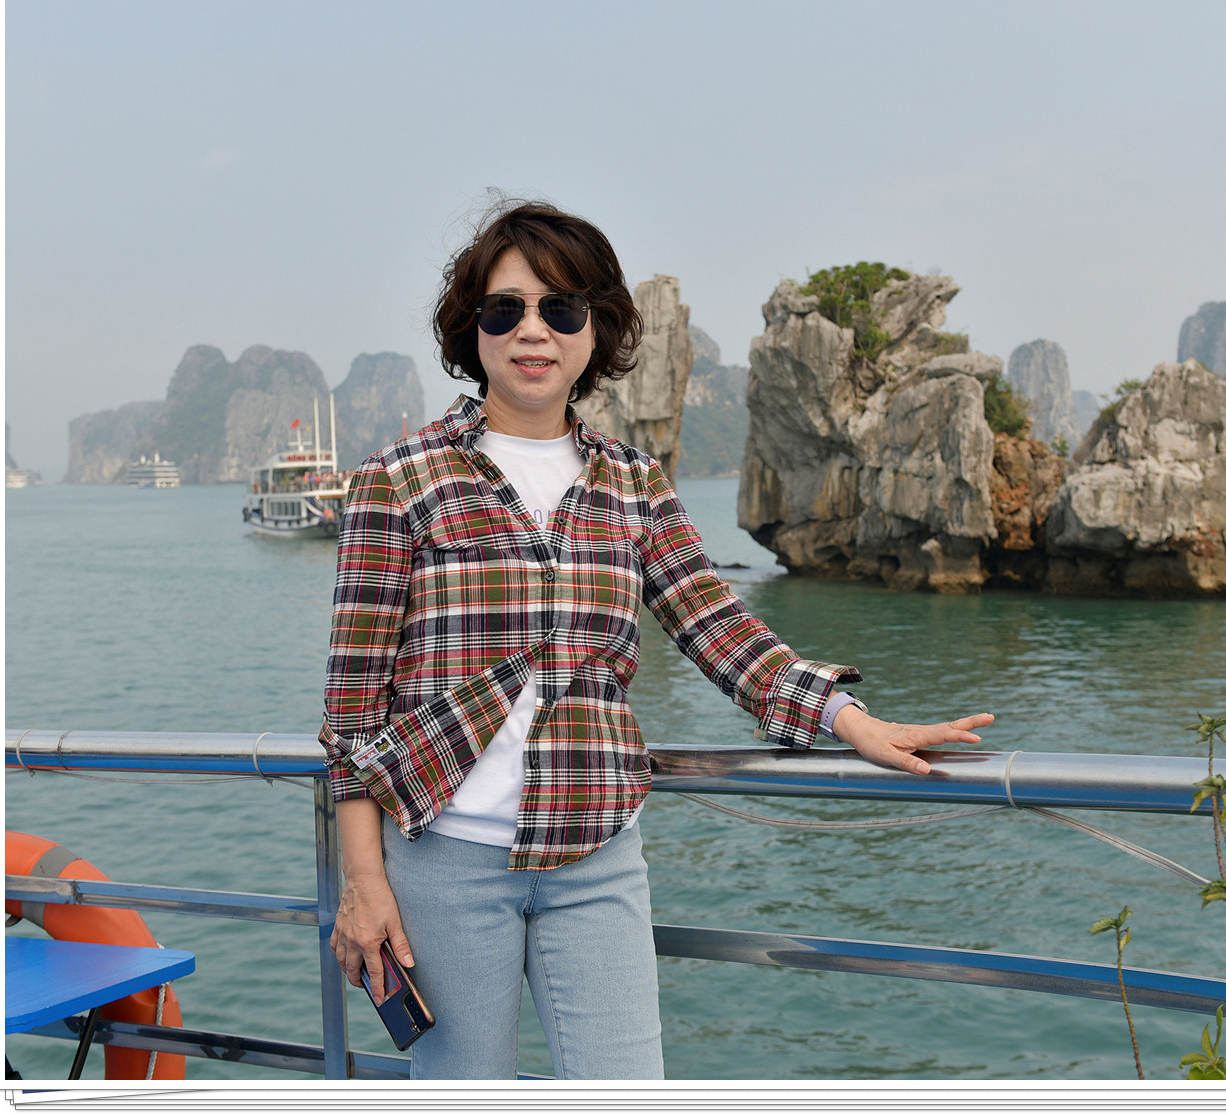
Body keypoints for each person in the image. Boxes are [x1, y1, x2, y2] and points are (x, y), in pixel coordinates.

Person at [319, 199, 992, 1080]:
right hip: (444, 861)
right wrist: (364, 882)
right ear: (471, 327)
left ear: (596, 329)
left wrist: (848, 719)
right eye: (506, 308)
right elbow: (354, 710)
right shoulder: (398, 480)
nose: (534, 331)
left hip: (597, 854)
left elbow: (716, 625)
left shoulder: (633, 483)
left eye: (563, 308)